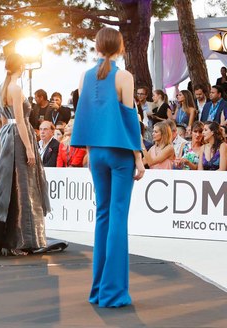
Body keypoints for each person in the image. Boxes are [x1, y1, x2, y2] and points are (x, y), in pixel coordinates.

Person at [0, 53, 67, 256]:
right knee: (22, 188)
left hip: (6, 137)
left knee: (8, 188)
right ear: (21, 66)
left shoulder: (2, 88)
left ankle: (12, 238)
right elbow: (21, 121)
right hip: (17, 137)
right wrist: (29, 147)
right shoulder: (15, 88)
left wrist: (3, 141)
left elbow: (6, 120)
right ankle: (19, 240)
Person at [71, 27, 144, 308]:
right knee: (117, 218)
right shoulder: (124, 76)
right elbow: (130, 118)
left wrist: (90, 151)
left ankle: (99, 290)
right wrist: (138, 157)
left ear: (98, 46)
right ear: (120, 47)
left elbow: (84, 117)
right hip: (120, 154)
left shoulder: (84, 77)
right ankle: (113, 293)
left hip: (96, 155)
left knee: (102, 216)